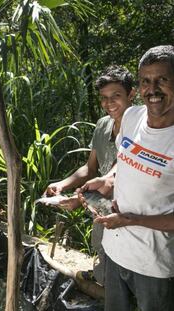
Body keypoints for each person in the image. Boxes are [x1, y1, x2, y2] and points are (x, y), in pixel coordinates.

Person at [80, 45, 174, 311]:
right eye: (146, 80)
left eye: (162, 80)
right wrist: (107, 181)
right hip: (115, 251)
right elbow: (125, 160)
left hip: (154, 266)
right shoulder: (132, 117)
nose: (152, 89)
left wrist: (131, 220)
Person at [43, 65, 135, 284]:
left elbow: (120, 172)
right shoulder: (103, 124)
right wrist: (62, 185)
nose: (109, 103)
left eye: (116, 96)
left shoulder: (143, 125)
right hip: (99, 202)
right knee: (101, 247)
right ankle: (103, 279)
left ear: (131, 94)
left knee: (128, 263)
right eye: (104, 97)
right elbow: (90, 168)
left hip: (129, 209)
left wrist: (80, 198)